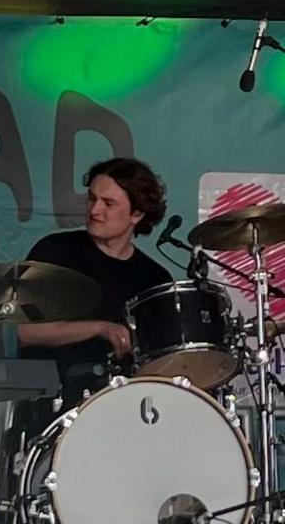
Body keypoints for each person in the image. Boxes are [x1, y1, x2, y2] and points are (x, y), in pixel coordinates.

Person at [16, 157, 175, 394]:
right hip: (55, 400)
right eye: (92, 199)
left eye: (108, 203)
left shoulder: (155, 278)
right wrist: (101, 329)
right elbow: (26, 333)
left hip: (127, 401)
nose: (95, 210)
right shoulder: (55, 251)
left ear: (137, 214)